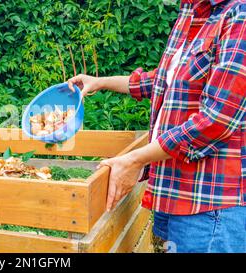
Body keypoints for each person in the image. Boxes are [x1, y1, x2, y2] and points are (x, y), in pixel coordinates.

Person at [68, 0, 246, 253]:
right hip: (176, 192)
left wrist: (134, 160)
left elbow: (217, 120)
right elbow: (167, 81)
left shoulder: (239, 14)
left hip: (211, 206)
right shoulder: (191, 10)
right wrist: (101, 82)